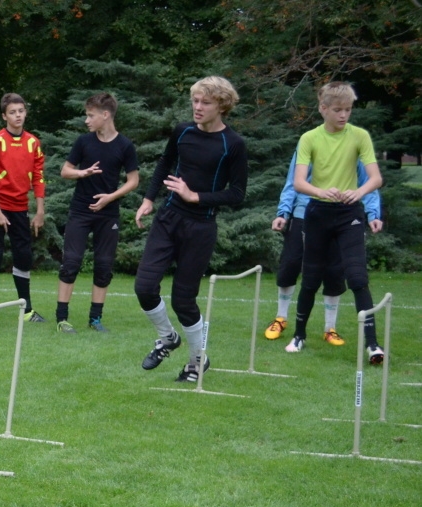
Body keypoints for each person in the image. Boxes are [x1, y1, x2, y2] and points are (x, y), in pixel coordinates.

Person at [134, 76, 247, 381]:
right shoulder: (182, 131)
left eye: (205, 102)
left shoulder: (233, 144)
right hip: (168, 218)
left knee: (183, 299)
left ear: (221, 105)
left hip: (200, 227)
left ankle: (197, 362)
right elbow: (164, 163)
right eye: (195, 101)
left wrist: (195, 196)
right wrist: (148, 200)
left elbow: (237, 193)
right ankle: (168, 338)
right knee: (144, 287)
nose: (197, 107)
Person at [281, 82, 385, 364]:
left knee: (357, 277)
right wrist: (320, 191)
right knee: (311, 278)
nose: (343, 115)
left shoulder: (360, 136)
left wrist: (359, 193)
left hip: (349, 213)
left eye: (348, 110)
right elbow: (299, 182)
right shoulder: (309, 138)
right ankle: (299, 335)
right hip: (317, 213)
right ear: (323, 109)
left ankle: (373, 345)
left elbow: (375, 178)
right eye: (337, 110)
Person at [265, 149, 382, 346]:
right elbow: (292, 182)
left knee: (334, 271)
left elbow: (367, 182)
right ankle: (280, 318)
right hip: (304, 214)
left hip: (339, 218)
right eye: (337, 114)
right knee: (290, 264)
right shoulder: (310, 144)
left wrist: (373, 213)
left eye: (345, 114)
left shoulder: (354, 147)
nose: (342, 116)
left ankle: (330, 328)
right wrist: (283, 212)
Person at [54, 93, 139, 333]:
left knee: (103, 265)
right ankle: (62, 318)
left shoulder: (125, 146)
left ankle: (95, 320)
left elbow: (133, 180)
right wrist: (83, 173)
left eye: (90, 115)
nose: (86, 120)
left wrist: (110, 198)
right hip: (80, 211)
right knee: (71, 262)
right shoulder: (84, 142)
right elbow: (65, 171)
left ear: (105, 115)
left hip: (108, 214)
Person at [0, 93, 47, 325]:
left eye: (21, 111)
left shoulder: (33, 142)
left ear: (26, 112)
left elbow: (38, 177)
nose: (18, 116)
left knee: (24, 256)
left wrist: (39, 210)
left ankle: (26, 310)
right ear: (4, 116)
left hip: (20, 208)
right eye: (12, 112)